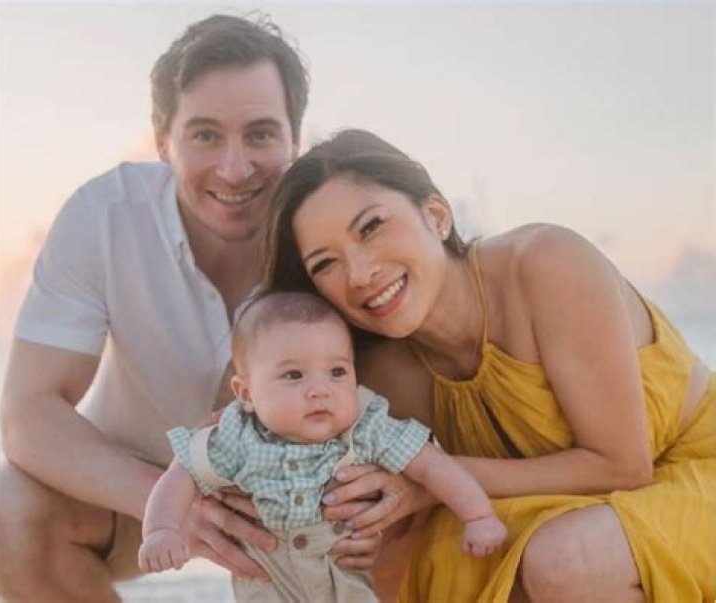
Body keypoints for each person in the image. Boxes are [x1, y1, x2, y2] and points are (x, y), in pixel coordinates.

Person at [0, 14, 375, 603]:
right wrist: (171, 501)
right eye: (204, 135)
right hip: (132, 489)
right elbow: (28, 415)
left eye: (260, 135)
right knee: (5, 513)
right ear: (162, 137)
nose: (234, 168)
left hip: (314, 494)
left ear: (294, 139)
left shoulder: (333, 230)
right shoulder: (105, 217)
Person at [261, 128, 716, 602]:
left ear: (436, 216)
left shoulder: (544, 263)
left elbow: (623, 467)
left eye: (371, 227)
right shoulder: (383, 375)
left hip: (695, 476)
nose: (359, 273)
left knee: (564, 561)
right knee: (421, 562)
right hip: (571, 514)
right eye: (325, 264)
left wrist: (435, 482)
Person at [137, 291, 507, 601]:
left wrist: (478, 515)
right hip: (267, 582)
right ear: (246, 393)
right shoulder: (237, 438)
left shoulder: (367, 429)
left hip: (343, 580)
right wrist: (161, 529)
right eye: (293, 375)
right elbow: (182, 473)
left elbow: (432, 466)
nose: (320, 389)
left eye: (337, 372)